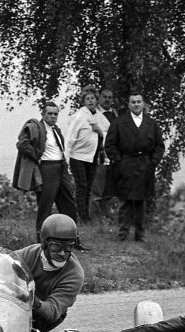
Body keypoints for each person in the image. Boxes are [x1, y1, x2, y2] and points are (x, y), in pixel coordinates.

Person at [13, 101, 88, 249]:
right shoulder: (36, 127)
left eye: (55, 114)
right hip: (47, 169)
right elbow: (22, 144)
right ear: (43, 114)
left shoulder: (56, 130)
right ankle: (41, 243)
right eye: (50, 113)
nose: (53, 116)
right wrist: (36, 156)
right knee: (45, 207)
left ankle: (74, 241)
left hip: (61, 168)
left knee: (69, 205)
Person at [104, 91, 165, 242]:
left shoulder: (151, 123)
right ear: (129, 104)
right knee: (125, 199)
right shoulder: (119, 122)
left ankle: (140, 233)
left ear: (143, 104)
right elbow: (110, 145)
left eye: (138, 102)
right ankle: (122, 232)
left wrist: (153, 163)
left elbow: (159, 146)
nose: (136, 104)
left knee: (141, 200)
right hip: (125, 164)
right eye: (133, 102)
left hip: (144, 165)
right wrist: (119, 161)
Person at [14, 213, 85, 332]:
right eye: (56, 246)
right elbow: (1, 264)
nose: (62, 253)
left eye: (69, 246)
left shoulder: (74, 274)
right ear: (44, 243)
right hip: (15, 304)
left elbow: (52, 312)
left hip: (43, 317)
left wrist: (30, 299)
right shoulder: (27, 254)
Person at [65, 86, 108, 224]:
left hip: (92, 157)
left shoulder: (100, 117)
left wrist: (99, 131)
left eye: (92, 98)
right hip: (77, 156)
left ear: (97, 100)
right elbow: (70, 138)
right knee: (81, 186)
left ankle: (86, 216)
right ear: (83, 101)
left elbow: (108, 132)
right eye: (87, 99)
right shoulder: (79, 116)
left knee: (89, 187)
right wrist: (66, 158)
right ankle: (81, 217)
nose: (90, 101)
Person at [90, 87, 118, 220]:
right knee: (96, 191)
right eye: (104, 97)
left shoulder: (115, 114)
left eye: (109, 97)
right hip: (98, 156)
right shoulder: (93, 114)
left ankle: (105, 219)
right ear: (99, 98)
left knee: (109, 191)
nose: (107, 100)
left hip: (112, 157)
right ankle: (94, 220)